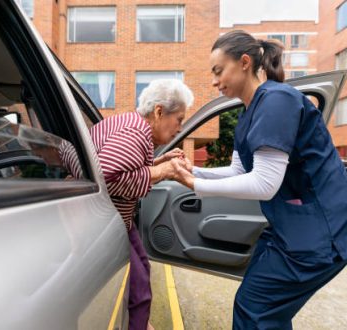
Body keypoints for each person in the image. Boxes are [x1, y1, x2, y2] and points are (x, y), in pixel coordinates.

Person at [173, 30, 347, 329]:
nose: (214, 81)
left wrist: (196, 185)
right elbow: (239, 172)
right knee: (263, 311)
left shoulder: (277, 100)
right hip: (291, 230)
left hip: (320, 234)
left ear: (243, 62)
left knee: (256, 310)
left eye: (218, 71)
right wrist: (192, 171)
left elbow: (264, 185)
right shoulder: (249, 113)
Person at [61, 79, 193, 330]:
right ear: (159, 111)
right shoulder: (136, 133)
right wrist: (163, 171)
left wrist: (160, 161)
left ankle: (138, 322)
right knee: (139, 287)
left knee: (142, 268)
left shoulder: (127, 123)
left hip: (118, 220)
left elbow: (124, 167)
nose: (180, 127)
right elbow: (105, 179)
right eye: (179, 119)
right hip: (106, 223)